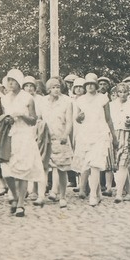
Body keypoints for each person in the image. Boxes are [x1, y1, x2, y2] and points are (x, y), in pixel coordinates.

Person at [0, 69, 46, 216]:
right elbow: (1, 116)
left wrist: (21, 115)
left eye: (13, 80)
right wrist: (6, 118)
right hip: (9, 135)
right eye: (9, 80)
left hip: (24, 136)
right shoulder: (5, 98)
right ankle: (14, 194)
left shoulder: (27, 98)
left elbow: (33, 120)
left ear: (19, 82)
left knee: (23, 170)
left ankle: (20, 204)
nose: (11, 83)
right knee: (6, 170)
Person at [72, 73, 117, 206]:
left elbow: (108, 119)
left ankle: (92, 195)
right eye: (87, 84)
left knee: (95, 164)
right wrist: (78, 118)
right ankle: (97, 193)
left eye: (92, 84)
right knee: (87, 165)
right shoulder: (80, 100)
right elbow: (77, 119)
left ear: (96, 85)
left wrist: (114, 136)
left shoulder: (103, 98)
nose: (90, 86)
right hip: (85, 135)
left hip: (100, 134)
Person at [40, 78, 73, 208]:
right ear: (48, 89)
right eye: (53, 87)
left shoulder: (66, 102)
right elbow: (39, 118)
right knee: (43, 167)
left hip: (60, 138)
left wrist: (65, 134)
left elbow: (69, 121)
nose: (56, 89)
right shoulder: (42, 102)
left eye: (58, 87)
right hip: (46, 138)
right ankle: (41, 195)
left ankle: (63, 196)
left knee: (61, 168)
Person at [108, 82, 130, 202]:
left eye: (125, 92)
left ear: (128, 93)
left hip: (128, 136)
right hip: (114, 135)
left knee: (123, 163)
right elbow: (108, 121)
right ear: (116, 93)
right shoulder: (111, 105)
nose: (122, 94)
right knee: (119, 164)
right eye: (120, 92)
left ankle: (118, 193)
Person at [22, 76, 50, 207]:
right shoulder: (20, 98)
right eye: (26, 86)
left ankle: (41, 193)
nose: (29, 88)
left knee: (41, 162)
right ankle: (29, 189)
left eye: (31, 86)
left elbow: (44, 115)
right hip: (25, 132)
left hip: (40, 130)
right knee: (27, 161)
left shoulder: (41, 100)